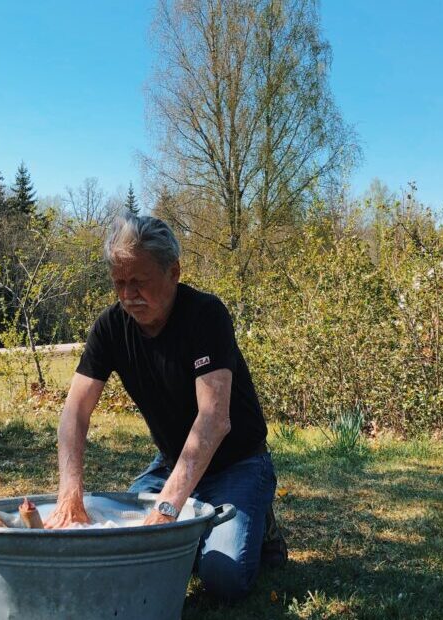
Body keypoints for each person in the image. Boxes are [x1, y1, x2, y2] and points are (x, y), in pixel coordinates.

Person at [44, 212, 287, 600]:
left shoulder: (206, 315)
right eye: (118, 284)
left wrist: (169, 509)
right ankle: (200, 522)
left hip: (237, 463)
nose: (127, 296)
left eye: (139, 283)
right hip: (173, 464)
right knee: (124, 544)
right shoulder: (110, 327)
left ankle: (259, 528)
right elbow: (75, 412)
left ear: (173, 272)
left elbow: (214, 419)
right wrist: (69, 492)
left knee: (222, 579)